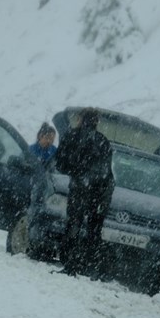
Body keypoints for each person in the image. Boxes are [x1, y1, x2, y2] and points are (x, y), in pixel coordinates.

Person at [53, 108, 114, 275]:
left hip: (80, 188)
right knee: (94, 231)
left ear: (80, 119)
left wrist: (77, 172)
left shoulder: (72, 136)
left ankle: (71, 264)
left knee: (73, 225)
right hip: (100, 191)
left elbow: (60, 163)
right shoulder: (103, 141)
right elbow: (107, 171)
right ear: (96, 122)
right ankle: (92, 268)